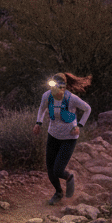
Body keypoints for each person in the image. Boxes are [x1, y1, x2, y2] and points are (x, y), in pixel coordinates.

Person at [34, 72, 92, 205]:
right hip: (53, 135)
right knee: (50, 168)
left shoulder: (72, 99)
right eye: (53, 87)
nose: (56, 90)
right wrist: (38, 123)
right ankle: (58, 192)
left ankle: (69, 177)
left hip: (69, 137)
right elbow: (42, 109)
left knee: (58, 170)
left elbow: (87, 109)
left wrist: (79, 126)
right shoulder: (47, 96)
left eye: (59, 87)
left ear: (64, 87)